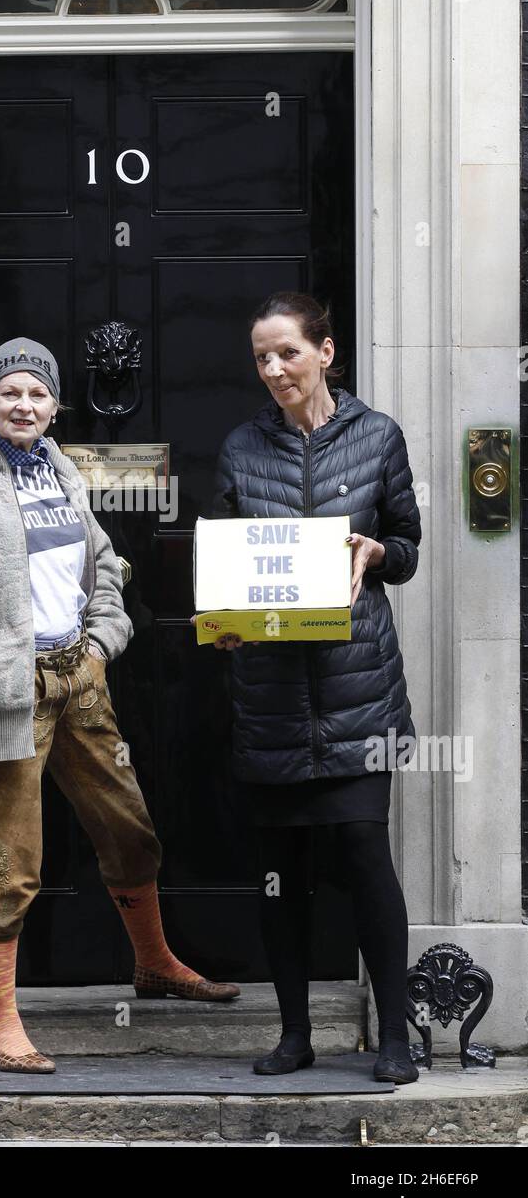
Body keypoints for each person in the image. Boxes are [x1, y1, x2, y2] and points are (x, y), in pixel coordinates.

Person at [0, 337, 239, 1074]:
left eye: (36, 394)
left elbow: (103, 560)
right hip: (8, 692)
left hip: (78, 678)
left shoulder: (57, 465)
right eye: (9, 393)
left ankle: (153, 965)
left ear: (54, 406)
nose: (22, 406)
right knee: (11, 862)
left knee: (129, 828)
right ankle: (1, 1024)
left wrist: (100, 643)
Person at [211, 292, 421, 1085]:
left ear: (324, 352)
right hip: (267, 697)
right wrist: (220, 616)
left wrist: (377, 551)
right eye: (261, 357)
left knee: (367, 859)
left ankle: (394, 1038)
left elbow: (406, 543)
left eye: (286, 353)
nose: (272, 369)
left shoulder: (377, 437)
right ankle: (294, 1034)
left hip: (356, 693)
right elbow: (222, 556)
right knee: (281, 874)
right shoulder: (239, 447)